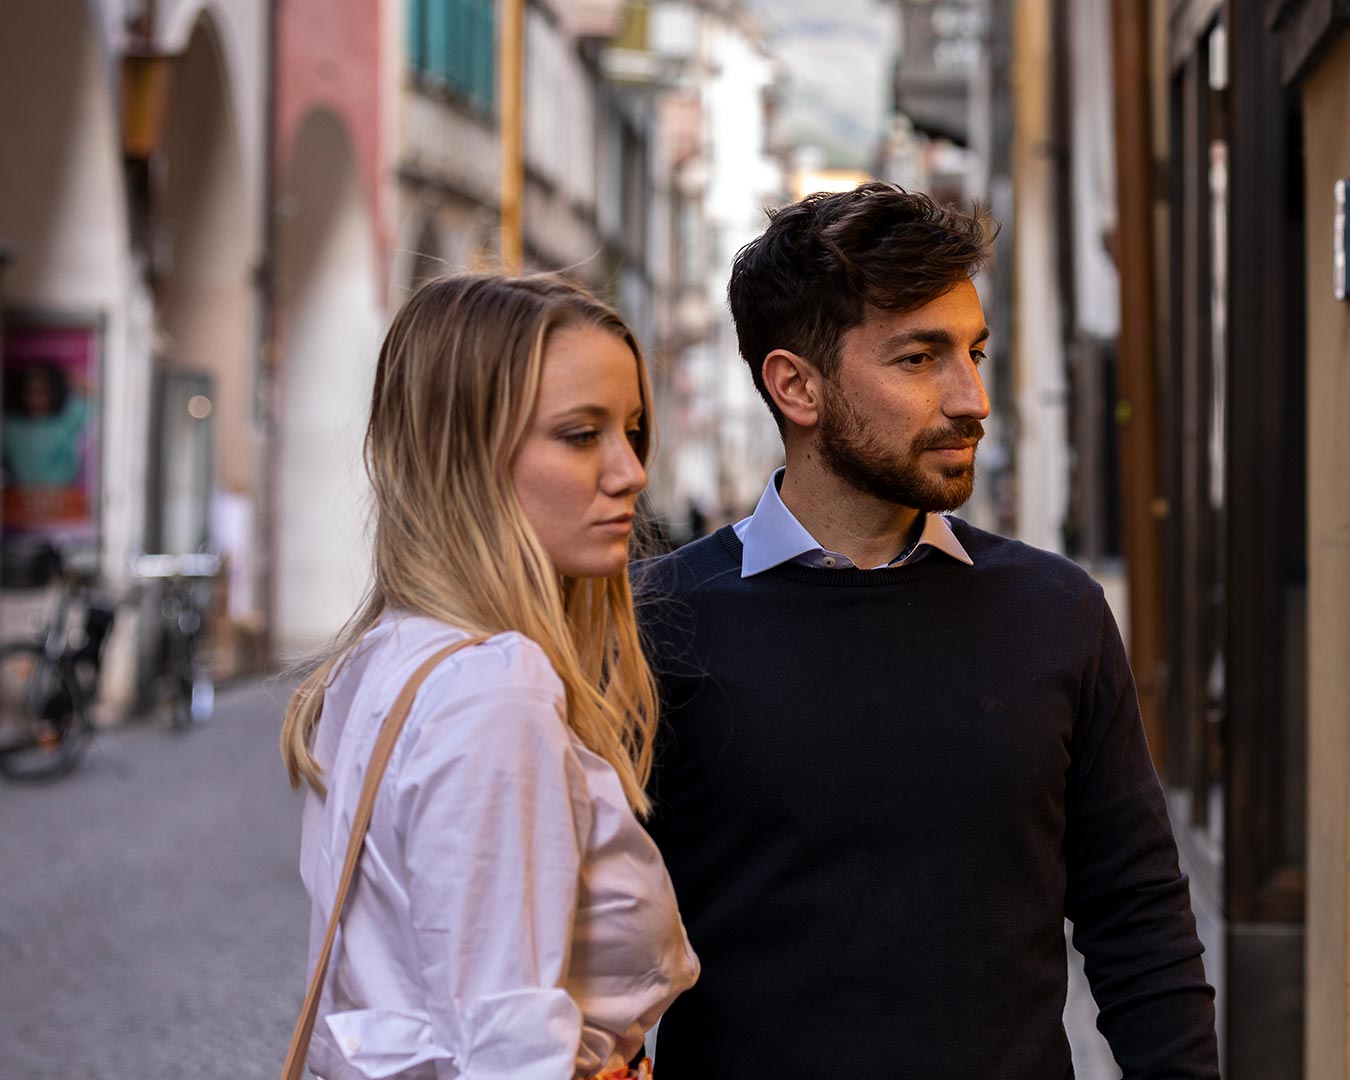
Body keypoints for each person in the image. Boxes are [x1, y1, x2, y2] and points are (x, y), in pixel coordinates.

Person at [636, 184, 1219, 1078]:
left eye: (975, 351)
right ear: (796, 385)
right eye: (920, 358)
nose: (972, 397)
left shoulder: (1055, 614)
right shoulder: (658, 624)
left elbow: (1137, 918)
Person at [280, 273, 698, 1079]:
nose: (630, 471)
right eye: (581, 435)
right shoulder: (494, 689)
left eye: (633, 430)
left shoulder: (387, 657)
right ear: (464, 457)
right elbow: (507, 1046)